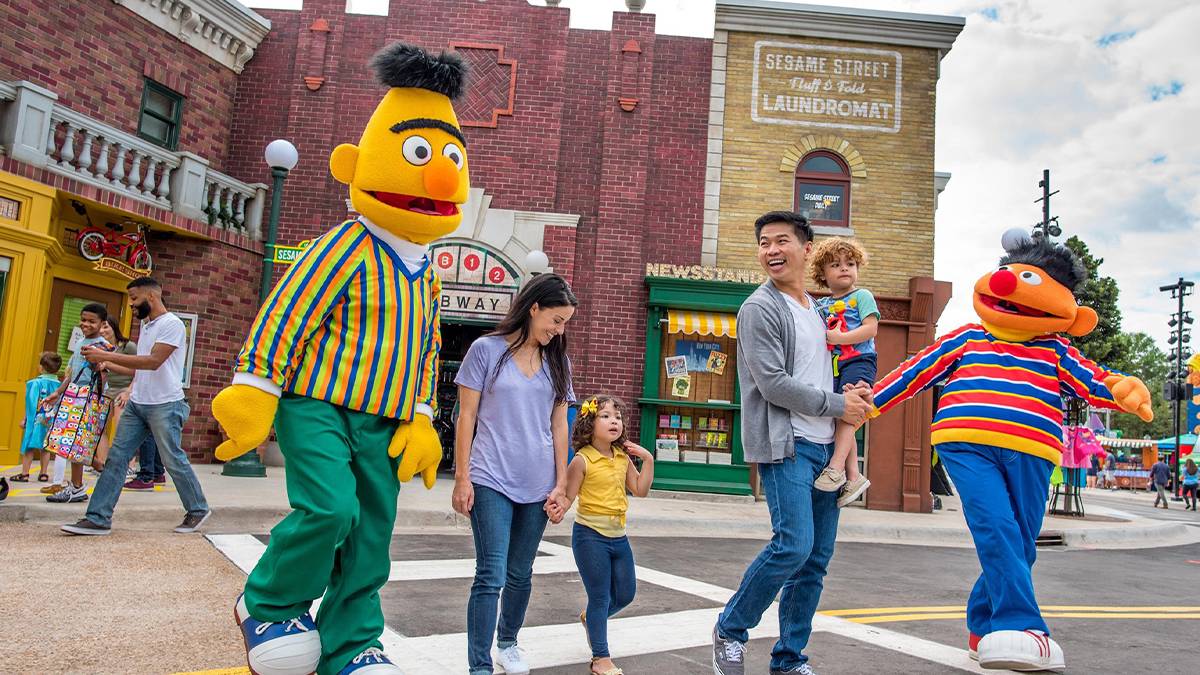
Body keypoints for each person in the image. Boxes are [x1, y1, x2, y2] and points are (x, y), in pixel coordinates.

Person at [871, 231, 1152, 672]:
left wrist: (1122, 388)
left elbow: (1095, 380)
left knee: (1021, 543)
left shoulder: (1056, 350)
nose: (1006, 285)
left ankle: (982, 628)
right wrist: (864, 403)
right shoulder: (965, 338)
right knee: (998, 528)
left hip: (1033, 451)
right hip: (966, 442)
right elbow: (916, 371)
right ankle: (1024, 626)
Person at [712, 211, 873, 675]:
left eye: (782, 241)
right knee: (793, 546)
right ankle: (731, 628)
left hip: (828, 451)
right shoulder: (759, 309)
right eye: (764, 243)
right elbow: (773, 384)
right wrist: (840, 405)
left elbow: (842, 364)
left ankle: (789, 659)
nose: (771, 250)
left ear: (807, 249)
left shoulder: (820, 311)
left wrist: (856, 395)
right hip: (789, 445)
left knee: (816, 560)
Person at [454, 273, 578, 675]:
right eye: (555, 320)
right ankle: (478, 666)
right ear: (534, 307)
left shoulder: (558, 362)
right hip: (490, 476)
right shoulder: (485, 350)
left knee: (520, 573)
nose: (558, 331)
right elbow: (466, 417)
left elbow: (560, 426)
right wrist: (462, 477)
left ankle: (508, 644)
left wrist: (561, 484)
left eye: (565, 324)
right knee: (490, 574)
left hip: (539, 482)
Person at [60, 276, 209, 536]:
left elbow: (153, 361)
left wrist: (105, 355)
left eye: (133, 298)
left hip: (165, 403)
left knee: (173, 459)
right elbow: (140, 368)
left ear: (151, 297)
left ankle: (197, 509)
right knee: (117, 459)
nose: (131, 305)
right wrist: (108, 367)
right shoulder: (147, 325)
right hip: (138, 403)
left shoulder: (171, 324)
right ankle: (98, 518)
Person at [562, 395, 654, 675]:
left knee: (626, 594)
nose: (614, 420)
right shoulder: (582, 460)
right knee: (600, 596)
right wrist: (555, 507)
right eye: (605, 415)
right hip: (590, 537)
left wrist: (647, 458)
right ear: (590, 423)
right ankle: (600, 658)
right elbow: (567, 497)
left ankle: (592, 619)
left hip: (619, 537)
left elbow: (640, 489)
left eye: (617, 416)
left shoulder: (622, 457)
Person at [810, 236, 878, 507]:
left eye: (850, 263)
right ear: (823, 274)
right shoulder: (821, 306)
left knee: (848, 413)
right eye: (836, 265)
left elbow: (870, 329)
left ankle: (837, 467)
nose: (844, 268)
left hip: (861, 360)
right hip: (835, 367)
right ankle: (854, 475)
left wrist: (837, 339)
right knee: (842, 416)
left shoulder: (862, 296)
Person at [42, 303, 112, 503]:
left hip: (87, 400)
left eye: (92, 321)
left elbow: (104, 375)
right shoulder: (81, 341)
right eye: (83, 320)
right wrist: (57, 393)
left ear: (102, 323)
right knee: (72, 444)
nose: (86, 324)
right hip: (74, 397)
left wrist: (96, 398)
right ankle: (79, 483)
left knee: (76, 444)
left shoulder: (102, 346)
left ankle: (79, 484)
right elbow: (72, 374)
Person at [96, 316, 163, 490]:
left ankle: (130, 466)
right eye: (101, 328)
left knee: (123, 430)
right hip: (109, 391)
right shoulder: (104, 348)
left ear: (114, 327)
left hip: (125, 390)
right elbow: (103, 374)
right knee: (100, 427)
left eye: (106, 327)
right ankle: (103, 464)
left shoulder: (128, 346)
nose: (103, 331)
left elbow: (138, 371)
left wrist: (128, 391)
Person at [13, 352, 61, 484]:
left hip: (35, 420)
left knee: (29, 446)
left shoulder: (34, 383)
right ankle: (44, 473)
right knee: (45, 447)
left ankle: (25, 474)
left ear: (41, 367)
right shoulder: (60, 385)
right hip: (51, 421)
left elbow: (31, 404)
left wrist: (26, 420)